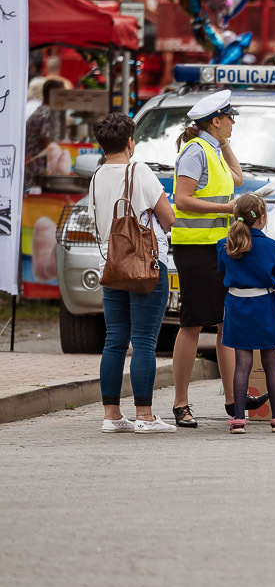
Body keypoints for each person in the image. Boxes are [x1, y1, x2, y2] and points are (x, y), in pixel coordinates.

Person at [88, 113, 177, 433]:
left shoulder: (96, 176)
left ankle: (111, 415)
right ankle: (145, 415)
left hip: (112, 267)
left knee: (114, 340)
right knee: (143, 341)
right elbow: (168, 217)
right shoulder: (138, 171)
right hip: (145, 266)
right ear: (129, 142)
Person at [171, 89, 244, 427]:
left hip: (217, 247)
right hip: (195, 248)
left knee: (225, 322)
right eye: (229, 118)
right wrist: (226, 209)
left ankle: (233, 399)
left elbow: (238, 178)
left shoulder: (212, 149)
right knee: (192, 324)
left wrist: (224, 143)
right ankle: (181, 403)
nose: (233, 123)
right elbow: (182, 199)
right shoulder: (195, 151)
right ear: (216, 120)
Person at [217, 193, 275, 434]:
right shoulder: (272, 246)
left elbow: (222, 271)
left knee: (242, 364)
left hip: (236, 306)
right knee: (271, 364)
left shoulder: (224, 244)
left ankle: (239, 419)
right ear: (262, 218)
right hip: (264, 306)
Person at [24, 78, 66, 189]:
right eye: (62, 94)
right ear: (53, 94)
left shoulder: (39, 113)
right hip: (38, 177)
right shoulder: (48, 116)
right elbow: (47, 146)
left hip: (30, 175)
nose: (65, 98)